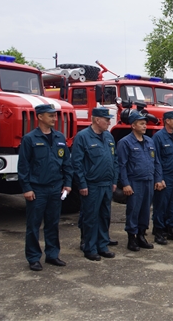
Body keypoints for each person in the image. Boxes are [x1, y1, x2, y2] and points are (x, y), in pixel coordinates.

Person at [18, 104, 73, 271]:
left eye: (54, 115)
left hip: (56, 188)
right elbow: (23, 166)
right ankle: (34, 257)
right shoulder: (30, 139)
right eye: (50, 116)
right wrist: (27, 188)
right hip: (37, 189)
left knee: (52, 223)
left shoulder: (59, 137)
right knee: (33, 225)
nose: (54, 118)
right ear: (40, 117)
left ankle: (52, 254)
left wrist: (68, 183)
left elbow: (67, 163)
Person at [72, 107, 118, 261]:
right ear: (97, 120)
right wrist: (82, 184)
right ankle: (90, 247)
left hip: (106, 184)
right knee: (90, 217)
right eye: (106, 119)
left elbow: (114, 160)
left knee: (104, 216)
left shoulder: (109, 137)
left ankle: (102, 245)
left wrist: (114, 181)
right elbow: (77, 163)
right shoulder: (83, 137)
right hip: (91, 184)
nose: (109, 122)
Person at [117, 111, 164, 251]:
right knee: (133, 210)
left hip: (148, 181)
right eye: (141, 124)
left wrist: (158, 178)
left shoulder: (149, 141)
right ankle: (132, 238)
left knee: (145, 210)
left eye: (145, 123)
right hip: (134, 182)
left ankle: (142, 235)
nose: (145, 126)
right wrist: (125, 183)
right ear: (133, 125)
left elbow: (156, 162)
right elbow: (122, 165)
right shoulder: (125, 142)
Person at [152, 111, 173, 245]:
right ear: (167, 121)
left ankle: (171, 228)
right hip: (165, 176)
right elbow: (157, 160)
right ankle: (159, 231)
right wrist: (159, 178)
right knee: (161, 205)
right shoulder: (158, 137)